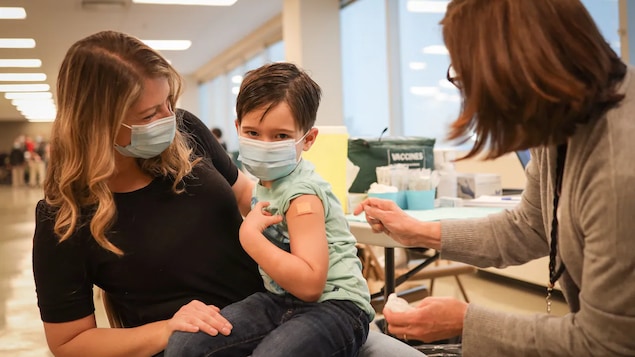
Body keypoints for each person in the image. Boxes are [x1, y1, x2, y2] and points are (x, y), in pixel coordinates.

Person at [32, 30, 424, 357]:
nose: (169, 119)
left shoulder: (185, 133)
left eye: (169, 102)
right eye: (150, 115)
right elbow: (68, 341)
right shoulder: (62, 219)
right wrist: (167, 329)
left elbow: (255, 198)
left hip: (297, 310)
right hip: (200, 342)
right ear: (96, 124)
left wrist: (314, 219)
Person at [354, 0, 635, 356]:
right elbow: (529, 226)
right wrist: (419, 231)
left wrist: (464, 322)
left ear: (515, 70)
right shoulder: (561, 120)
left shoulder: (619, 166)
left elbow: (608, 344)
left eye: (466, 77)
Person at [166, 62, 374, 357]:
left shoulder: (303, 196)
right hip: (280, 299)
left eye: (280, 136)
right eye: (252, 132)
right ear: (238, 128)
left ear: (309, 139)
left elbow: (311, 284)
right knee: (185, 345)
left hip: (337, 307)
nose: (265, 144)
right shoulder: (270, 180)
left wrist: (251, 239)